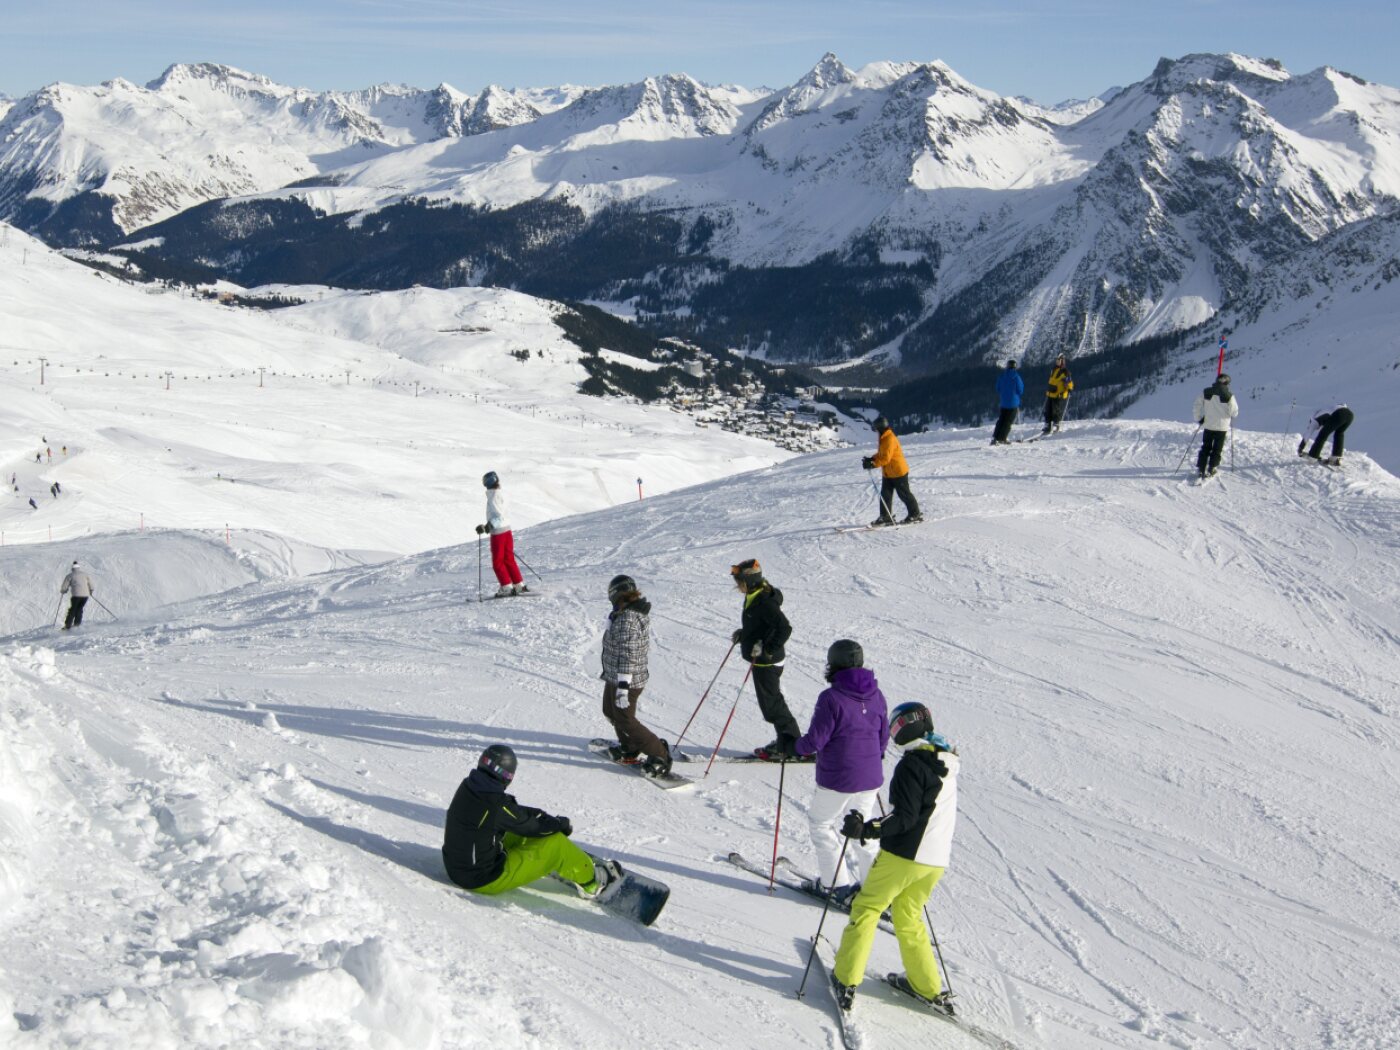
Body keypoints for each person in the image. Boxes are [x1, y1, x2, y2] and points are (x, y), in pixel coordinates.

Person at [829, 702, 960, 1013]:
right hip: (935, 861)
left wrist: (867, 828)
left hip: (904, 856)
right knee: (907, 916)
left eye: (897, 726)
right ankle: (926, 986)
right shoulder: (946, 761)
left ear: (910, 727)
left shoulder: (912, 765)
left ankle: (846, 978)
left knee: (867, 907)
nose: (894, 733)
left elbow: (905, 818)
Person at [442, 744, 620, 900]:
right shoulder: (496, 805)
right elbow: (530, 824)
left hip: (457, 867)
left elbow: (515, 815)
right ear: (508, 776)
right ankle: (593, 882)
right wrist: (559, 825)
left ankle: (540, 857)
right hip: (483, 879)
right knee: (556, 844)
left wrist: (548, 820)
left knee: (516, 831)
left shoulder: (471, 786)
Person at [791, 640, 888, 905]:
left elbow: (815, 741)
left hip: (838, 778)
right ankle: (875, 891)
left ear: (832, 663)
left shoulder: (831, 697)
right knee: (863, 830)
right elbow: (883, 737)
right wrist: (872, 758)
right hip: (870, 777)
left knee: (822, 825)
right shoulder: (876, 694)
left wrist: (794, 746)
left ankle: (836, 886)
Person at [599, 574, 672, 776]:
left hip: (627, 679)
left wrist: (623, 686)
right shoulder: (623, 613)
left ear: (615, 594)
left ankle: (660, 754)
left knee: (625, 719)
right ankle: (630, 746)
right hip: (615, 674)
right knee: (610, 711)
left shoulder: (627, 619)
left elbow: (628, 653)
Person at [729, 559, 802, 760]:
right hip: (762, 661)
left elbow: (784, 628)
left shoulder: (764, 602)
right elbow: (761, 625)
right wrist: (744, 634)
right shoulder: (754, 595)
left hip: (767, 662)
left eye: (740, 582)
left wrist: (768, 649)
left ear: (749, 581)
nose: (738, 586)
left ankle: (792, 746)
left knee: (772, 706)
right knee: (771, 704)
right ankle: (786, 741)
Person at [863, 417, 921, 527]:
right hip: (888, 473)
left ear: (880, 427)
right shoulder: (884, 437)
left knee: (904, 494)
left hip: (898, 472)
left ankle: (915, 514)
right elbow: (882, 454)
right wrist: (872, 459)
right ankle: (885, 517)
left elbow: (886, 458)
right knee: (885, 496)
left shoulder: (889, 439)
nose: (875, 430)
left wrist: (873, 464)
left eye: (876, 428)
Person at [476, 471, 526, 596]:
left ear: (487, 483)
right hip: (507, 530)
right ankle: (518, 584)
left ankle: (506, 587)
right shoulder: (501, 493)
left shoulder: (493, 496)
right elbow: (502, 514)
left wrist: (487, 527)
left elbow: (499, 516)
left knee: (497, 562)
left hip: (498, 533)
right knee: (508, 558)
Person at [1192, 374, 1238, 478]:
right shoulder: (1229, 396)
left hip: (1208, 425)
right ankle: (1212, 468)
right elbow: (1234, 412)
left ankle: (1201, 468)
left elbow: (1197, 405)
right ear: (1226, 383)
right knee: (1217, 449)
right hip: (1222, 427)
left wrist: (1199, 418)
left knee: (1205, 447)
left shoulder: (1206, 392)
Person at [991, 360, 1024, 445]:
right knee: (1008, 421)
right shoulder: (1016, 377)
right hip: (1013, 403)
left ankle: (995, 437)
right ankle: (1002, 438)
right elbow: (1020, 390)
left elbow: (997, 388)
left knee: (1001, 420)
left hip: (1003, 402)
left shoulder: (1002, 376)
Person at [1042, 354, 1073, 434]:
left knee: (1055, 410)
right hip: (1050, 393)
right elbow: (1051, 380)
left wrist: (1069, 387)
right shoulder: (1054, 370)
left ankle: (1056, 424)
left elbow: (1069, 382)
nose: (1057, 362)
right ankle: (1047, 425)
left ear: (1062, 361)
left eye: (1058, 361)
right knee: (1048, 410)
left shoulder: (1065, 372)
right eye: (1056, 361)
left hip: (1058, 394)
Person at [61, 560, 94, 629]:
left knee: (73, 609)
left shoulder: (70, 575)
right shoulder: (85, 574)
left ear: (72, 568)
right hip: (85, 596)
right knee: (79, 609)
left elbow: (65, 586)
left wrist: (63, 591)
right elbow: (90, 584)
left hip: (76, 596)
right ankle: (77, 624)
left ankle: (67, 625)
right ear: (78, 568)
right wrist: (91, 590)